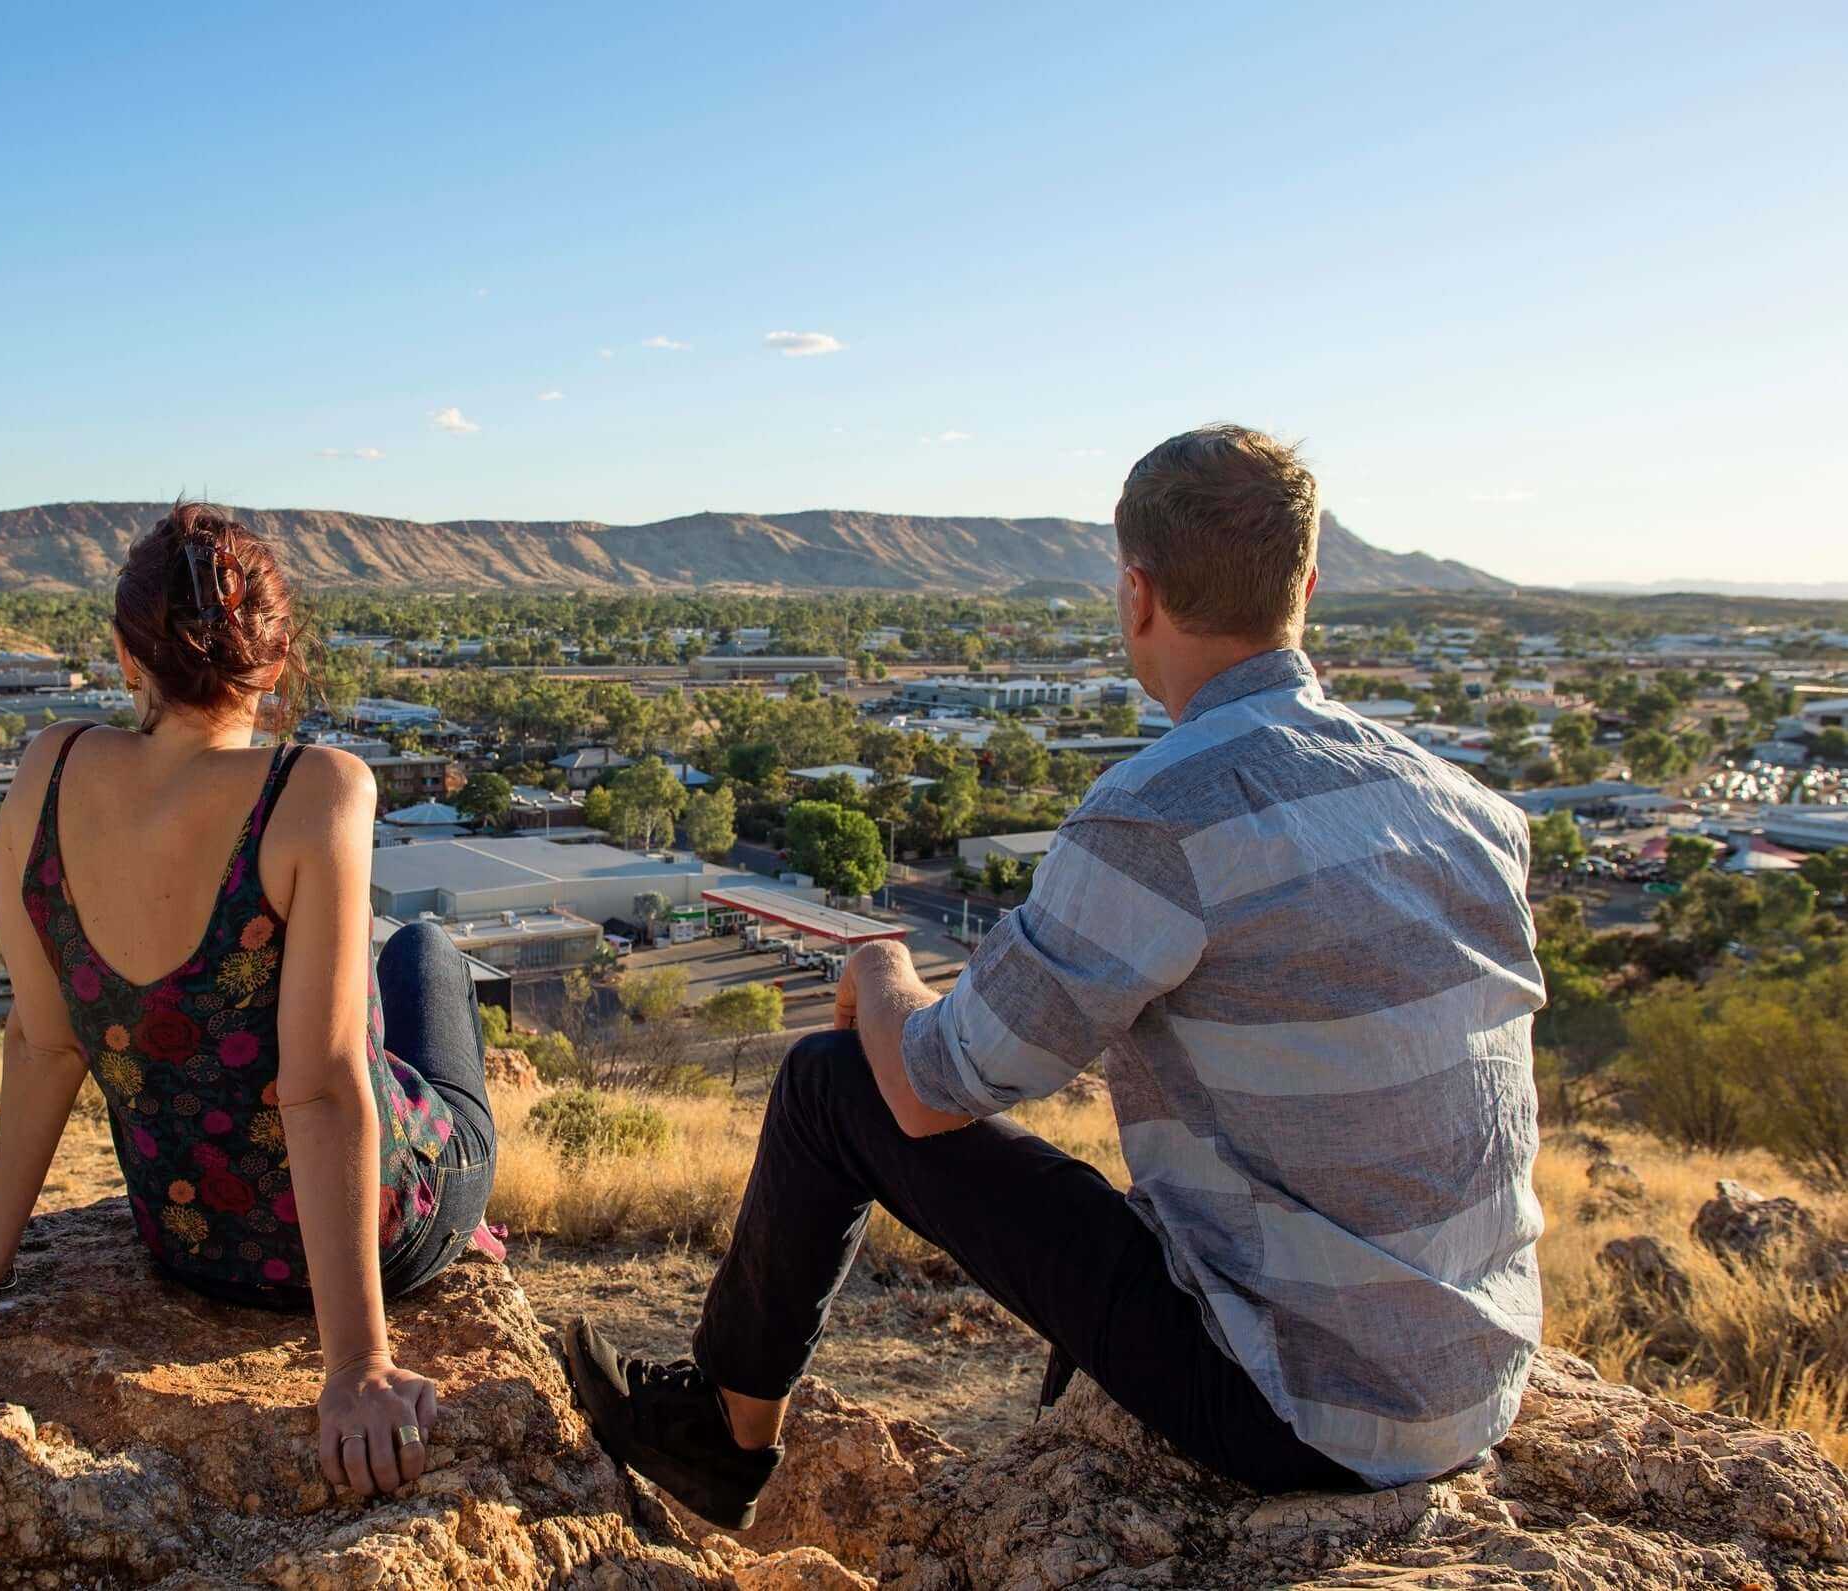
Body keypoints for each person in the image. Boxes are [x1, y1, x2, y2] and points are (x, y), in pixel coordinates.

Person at [563, 425, 1545, 1528]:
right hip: (1477, 1378)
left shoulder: (1159, 809)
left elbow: (932, 1090)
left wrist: (882, 968)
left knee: (830, 1085)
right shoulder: (1463, 806)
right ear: (1305, 587)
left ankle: (720, 1436)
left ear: (1134, 594)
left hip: (1298, 1407)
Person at [0, 502, 497, 1501]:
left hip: (189, 1247)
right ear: (277, 657)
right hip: (379, 1231)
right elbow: (322, 1087)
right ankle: (460, 1208)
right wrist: (354, 1367)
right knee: (423, 953)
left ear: (130, 657)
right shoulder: (317, 789)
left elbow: (43, 1044)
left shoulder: (49, 770)